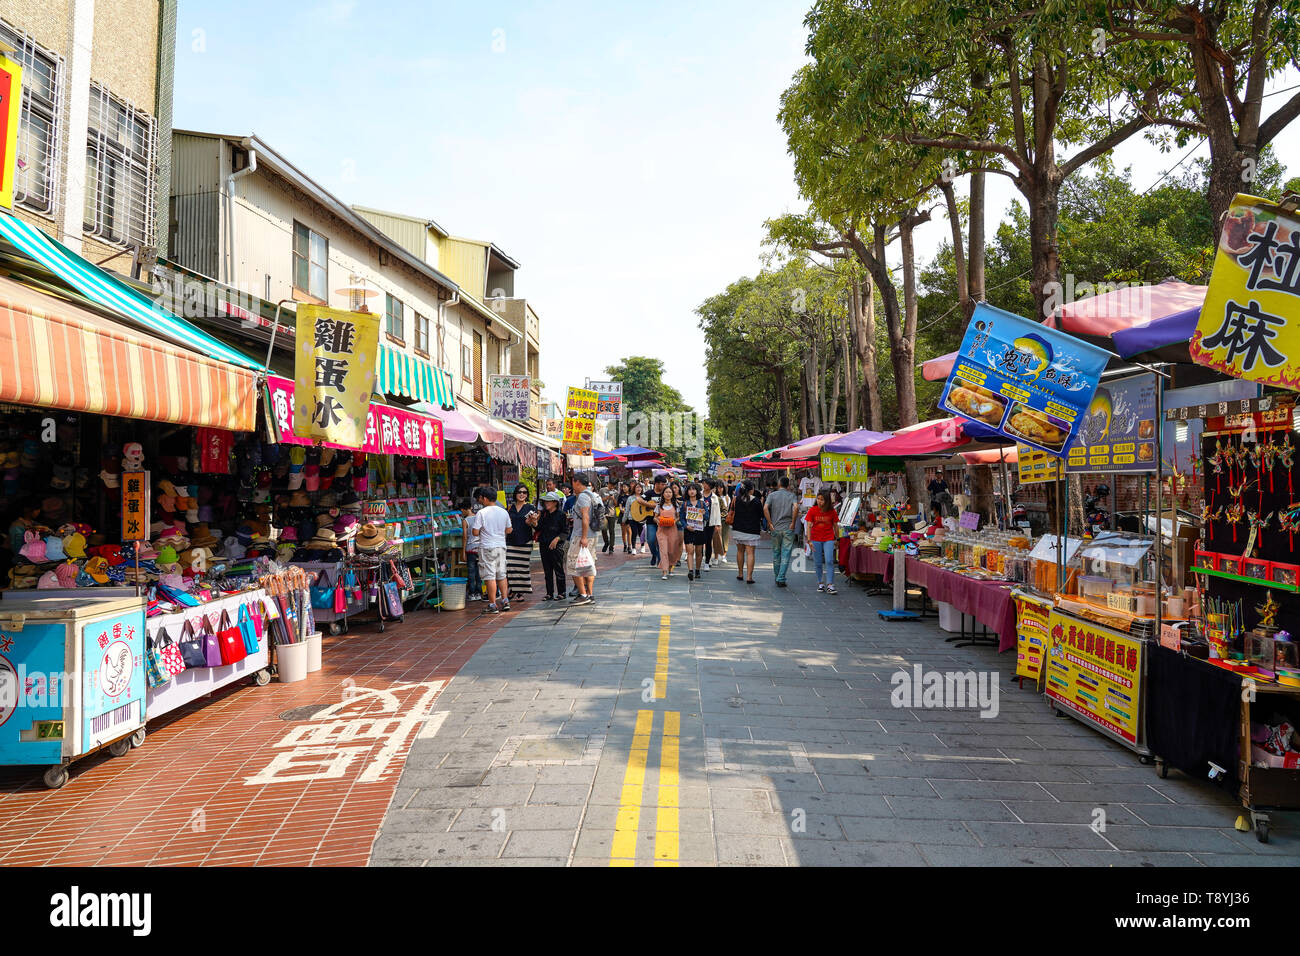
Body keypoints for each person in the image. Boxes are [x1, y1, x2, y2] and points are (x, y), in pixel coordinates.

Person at [471, 486, 512, 612]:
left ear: (484, 498)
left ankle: (493, 604)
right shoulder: (503, 511)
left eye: (481, 498)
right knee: (501, 574)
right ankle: (505, 600)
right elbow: (509, 529)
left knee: (490, 576)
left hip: (487, 547)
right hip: (500, 546)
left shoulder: (482, 513)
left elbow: (475, 532)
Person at [567, 472, 598, 605]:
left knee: (573, 564)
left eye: (573, 482)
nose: (572, 485)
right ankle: (589, 594)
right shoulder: (594, 496)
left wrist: (584, 537)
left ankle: (583, 594)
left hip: (582, 535)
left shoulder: (583, 497)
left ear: (577, 482)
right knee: (588, 564)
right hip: (592, 534)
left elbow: (585, 517)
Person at [763, 476, 799, 588]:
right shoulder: (792, 495)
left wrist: (769, 523)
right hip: (788, 528)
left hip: (775, 528)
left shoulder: (772, 495)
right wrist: (793, 522)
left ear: (779, 485)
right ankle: (781, 577)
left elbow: (765, 508)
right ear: (788, 486)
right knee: (786, 553)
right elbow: (796, 507)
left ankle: (777, 576)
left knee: (776, 553)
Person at [505, 483, 538, 601]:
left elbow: (536, 526)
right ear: (515, 494)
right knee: (511, 567)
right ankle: (512, 589)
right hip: (510, 541)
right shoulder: (509, 508)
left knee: (522, 567)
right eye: (519, 492)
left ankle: (520, 592)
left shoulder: (531, 508)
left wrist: (532, 522)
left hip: (525, 541)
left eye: (524, 492)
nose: (522, 494)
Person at [806, 490, 840, 594]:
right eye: (818, 499)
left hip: (828, 538)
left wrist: (837, 539)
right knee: (818, 562)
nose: (819, 501)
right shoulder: (812, 510)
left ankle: (830, 584)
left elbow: (835, 526)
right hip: (815, 539)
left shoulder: (832, 511)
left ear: (827, 501)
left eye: (822, 499)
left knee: (829, 560)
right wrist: (809, 540)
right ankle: (820, 583)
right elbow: (808, 526)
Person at [729, 481, 763, 584]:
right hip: (752, 530)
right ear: (751, 489)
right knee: (750, 553)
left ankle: (740, 574)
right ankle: (749, 577)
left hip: (738, 529)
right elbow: (761, 515)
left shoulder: (736, 499)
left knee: (740, 551)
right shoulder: (757, 501)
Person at [537, 490, 568, 600]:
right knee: (547, 570)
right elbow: (538, 528)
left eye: (549, 501)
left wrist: (557, 539)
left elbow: (565, 531)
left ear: (555, 502)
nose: (547, 503)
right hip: (544, 544)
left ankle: (562, 592)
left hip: (556, 546)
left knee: (558, 569)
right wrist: (533, 522)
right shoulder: (544, 514)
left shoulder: (561, 515)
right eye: (545, 501)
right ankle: (549, 592)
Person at [655, 484, 684, 580]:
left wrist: (673, 521)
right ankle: (664, 571)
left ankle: (671, 567)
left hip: (672, 530)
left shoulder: (675, 505)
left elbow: (678, 516)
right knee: (663, 550)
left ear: (673, 494)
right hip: (661, 531)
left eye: (670, 492)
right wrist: (659, 521)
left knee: (671, 551)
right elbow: (654, 517)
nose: (668, 494)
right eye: (666, 492)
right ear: (663, 494)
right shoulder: (659, 505)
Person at [682, 482, 710, 581]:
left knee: (699, 552)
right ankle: (690, 571)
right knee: (690, 551)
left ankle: (697, 570)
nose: (692, 491)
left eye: (694, 489)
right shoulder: (685, 504)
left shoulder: (702, 503)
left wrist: (703, 513)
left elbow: (707, 517)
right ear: (687, 491)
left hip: (700, 530)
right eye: (690, 489)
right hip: (689, 530)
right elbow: (682, 518)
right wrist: (686, 526)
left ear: (697, 491)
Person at [459, 499, 483, 601]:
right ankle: (479, 592)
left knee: (471, 572)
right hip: (480, 548)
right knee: (479, 572)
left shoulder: (465, 521)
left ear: (463, 510)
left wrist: (463, 552)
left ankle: (472, 593)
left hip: (470, 549)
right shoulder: (479, 517)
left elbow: (465, 537)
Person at [642, 475, 666, 567]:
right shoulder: (649, 493)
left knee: (661, 541)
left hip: (663, 521)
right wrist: (650, 505)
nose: (664, 486)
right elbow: (639, 499)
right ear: (656, 484)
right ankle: (654, 554)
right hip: (651, 521)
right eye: (662, 484)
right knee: (651, 540)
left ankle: (660, 561)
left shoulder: (666, 493)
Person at [601, 483, 620, 554]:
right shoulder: (602, 490)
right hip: (603, 513)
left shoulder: (616, 492)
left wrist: (613, 499)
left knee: (612, 531)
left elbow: (616, 504)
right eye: (611, 485)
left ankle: (611, 547)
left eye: (613, 486)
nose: (612, 487)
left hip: (612, 513)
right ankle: (606, 542)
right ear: (608, 484)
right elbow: (599, 500)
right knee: (603, 529)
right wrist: (607, 497)